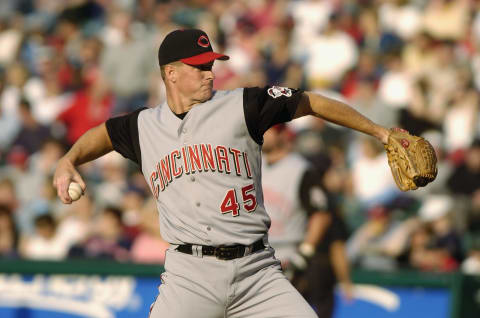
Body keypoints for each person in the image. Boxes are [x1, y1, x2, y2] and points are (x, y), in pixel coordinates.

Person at [53, 29, 390, 318]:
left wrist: (381, 133)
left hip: (256, 270)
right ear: (170, 73)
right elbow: (104, 135)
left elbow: (312, 102)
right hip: (189, 274)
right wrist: (69, 159)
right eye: (199, 67)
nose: (209, 74)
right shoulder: (143, 126)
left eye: (210, 65)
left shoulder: (244, 105)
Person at [261, 124, 352, 317]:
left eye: (269, 129)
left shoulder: (301, 169)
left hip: (289, 254)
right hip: (259, 254)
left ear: (282, 134)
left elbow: (321, 215)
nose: (262, 132)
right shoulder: (254, 162)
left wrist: (304, 253)